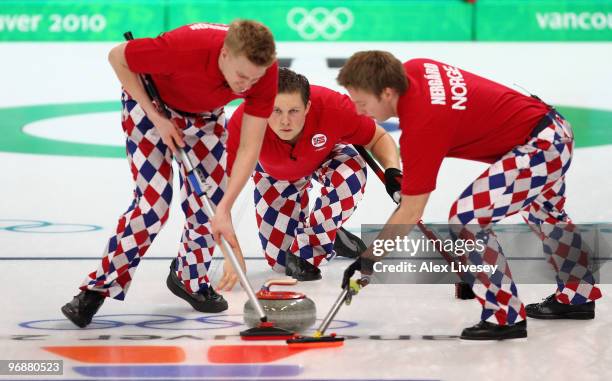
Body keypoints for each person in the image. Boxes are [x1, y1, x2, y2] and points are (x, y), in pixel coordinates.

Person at [337, 51, 602, 340]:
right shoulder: (415, 68)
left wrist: (368, 260)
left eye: (362, 103)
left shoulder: (422, 126)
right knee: (545, 212)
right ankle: (578, 294)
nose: (359, 111)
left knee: (469, 218)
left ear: (387, 92)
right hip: (552, 128)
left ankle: (505, 316)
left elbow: (411, 211)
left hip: (540, 147)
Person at [61, 20, 278, 328]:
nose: (247, 85)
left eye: (254, 79)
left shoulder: (264, 74)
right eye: (242, 76)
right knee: (152, 208)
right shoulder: (184, 48)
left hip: (205, 119)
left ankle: (189, 278)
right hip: (152, 109)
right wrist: (156, 117)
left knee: (211, 207)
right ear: (225, 54)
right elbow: (118, 56)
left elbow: (249, 148)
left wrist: (226, 208)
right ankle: (97, 289)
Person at [226, 68, 401, 281]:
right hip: (275, 174)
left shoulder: (333, 105)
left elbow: (377, 137)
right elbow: (219, 191)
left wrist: (393, 170)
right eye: (276, 111)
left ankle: (321, 232)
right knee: (282, 265)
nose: (285, 121)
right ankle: (331, 233)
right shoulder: (246, 120)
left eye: (294, 111)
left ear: (308, 107)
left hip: (325, 155)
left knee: (350, 176)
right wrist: (230, 251)